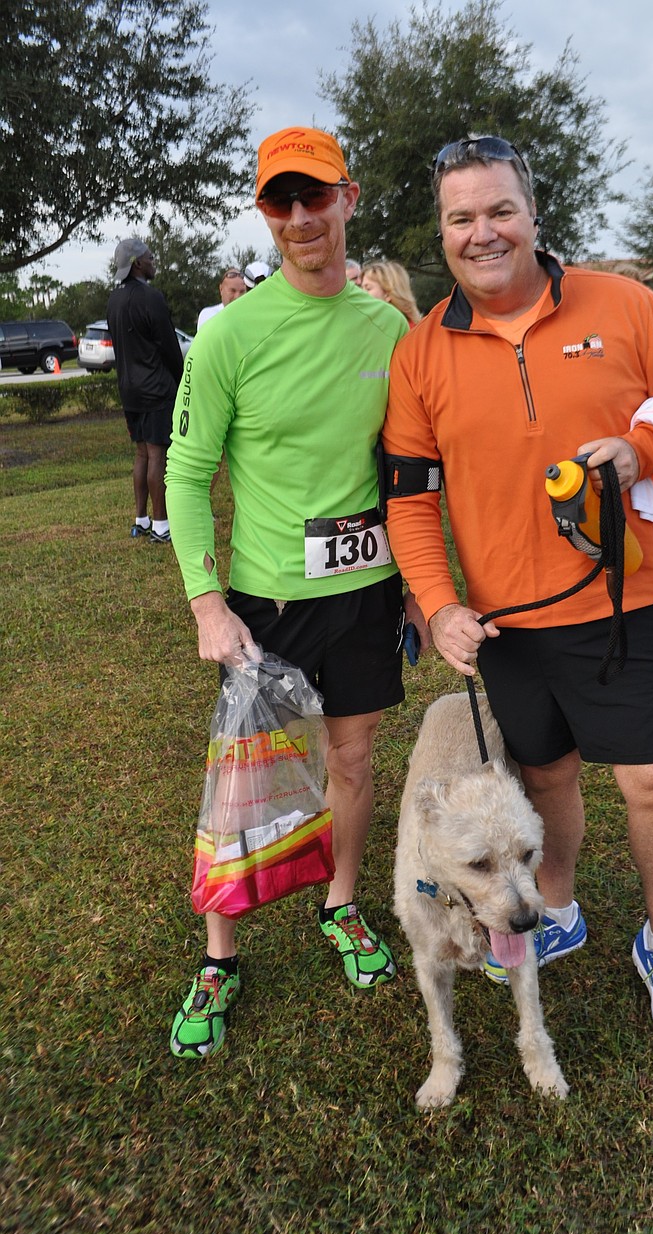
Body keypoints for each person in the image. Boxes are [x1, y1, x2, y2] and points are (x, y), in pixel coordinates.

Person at [382, 135, 653, 1045]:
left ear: (534, 214)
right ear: (442, 232)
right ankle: (559, 907)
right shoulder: (421, 352)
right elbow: (410, 499)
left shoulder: (623, 303)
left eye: (500, 210)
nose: (483, 232)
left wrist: (644, 449)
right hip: (506, 623)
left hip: (624, 602)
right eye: (461, 217)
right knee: (546, 779)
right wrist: (440, 603)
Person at [164, 126, 421, 1059]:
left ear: (349, 198)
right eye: (282, 200)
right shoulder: (230, 333)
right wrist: (206, 602)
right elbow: (186, 472)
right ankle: (220, 956)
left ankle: (340, 903)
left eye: (317, 195)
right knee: (246, 777)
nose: (302, 216)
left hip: (367, 591)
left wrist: (419, 585)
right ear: (265, 213)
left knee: (352, 760)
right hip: (266, 602)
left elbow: (407, 469)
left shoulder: (387, 329)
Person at [107, 237, 185, 543]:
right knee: (157, 455)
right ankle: (161, 526)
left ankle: (141, 519)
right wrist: (182, 378)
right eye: (150, 257)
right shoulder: (151, 297)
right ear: (137, 263)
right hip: (156, 389)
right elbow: (169, 346)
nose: (154, 262)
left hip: (129, 389)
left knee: (141, 454)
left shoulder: (113, 300)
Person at [361, 260, 422, 328]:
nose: (361, 293)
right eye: (361, 288)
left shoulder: (410, 330)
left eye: (368, 288)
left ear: (387, 294)